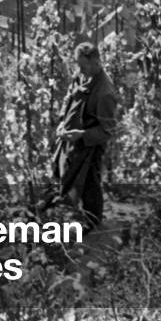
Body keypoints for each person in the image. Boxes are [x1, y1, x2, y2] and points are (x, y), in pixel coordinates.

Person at [50, 41, 118, 232]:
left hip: (90, 145)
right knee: (66, 175)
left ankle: (93, 224)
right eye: (78, 65)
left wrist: (83, 135)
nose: (79, 70)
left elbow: (107, 130)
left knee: (90, 182)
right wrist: (63, 121)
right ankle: (72, 216)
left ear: (96, 62)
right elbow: (69, 98)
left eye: (83, 66)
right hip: (73, 141)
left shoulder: (105, 92)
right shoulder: (81, 76)